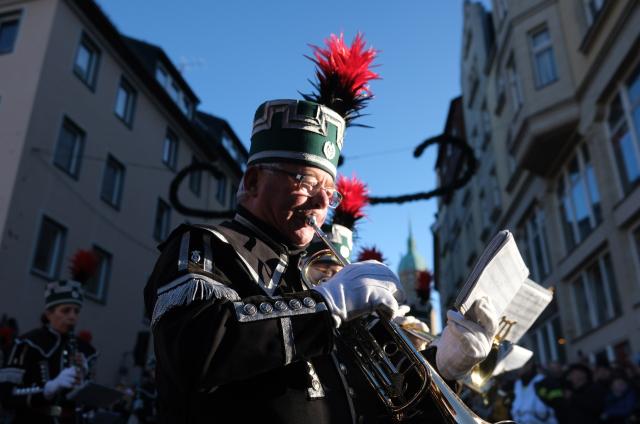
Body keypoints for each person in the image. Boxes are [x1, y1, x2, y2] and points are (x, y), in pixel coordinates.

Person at [145, 34, 497, 424]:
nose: (320, 204)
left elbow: (379, 406)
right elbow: (191, 349)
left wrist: (445, 364)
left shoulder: (316, 273)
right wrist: (326, 306)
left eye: (328, 192)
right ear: (254, 181)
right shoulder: (207, 245)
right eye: (304, 182)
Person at [0, 250, 98, 424]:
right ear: (49, 313)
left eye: (76, 311)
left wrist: (83, 382)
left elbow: (88, 407)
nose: (72, 316)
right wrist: (47, 389)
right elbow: (6, 395)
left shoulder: (84, 350)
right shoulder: (27, 343)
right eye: (65, 310)